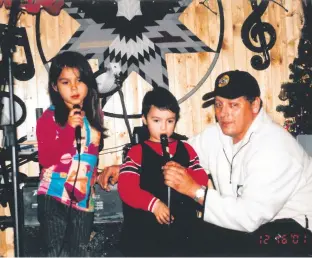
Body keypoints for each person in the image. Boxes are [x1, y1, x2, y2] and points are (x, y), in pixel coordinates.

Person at [162, 70, 312, 256]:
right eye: (218, 104)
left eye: (233, 105)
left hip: (294, 235)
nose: (223, 113)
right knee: (181, 235)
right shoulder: (218, 134)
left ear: (255, 105)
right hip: (251, 229)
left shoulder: (275, 146)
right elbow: (180, 153)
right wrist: (131, 165)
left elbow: (248, 217)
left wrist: (194, 190)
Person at [117, 87, 209, 256]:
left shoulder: (187, 149)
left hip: (182, 233)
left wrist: (187, 177)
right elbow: (126, 188)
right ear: (144, 119)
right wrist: (154, 204)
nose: (163, 128)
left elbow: (201, 181)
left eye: (170, 121)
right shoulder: (136, 151)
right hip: (145, 233)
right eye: (156, 120)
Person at [36, 51, 107, 257]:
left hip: (83, 199)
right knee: (56, 253)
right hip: (54, 194)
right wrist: (68, 129)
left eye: (79, 80)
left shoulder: (93, 119)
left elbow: (89, 156)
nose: (74, 87)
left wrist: (96, 175)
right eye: (66, 82)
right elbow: (46, 159)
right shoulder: (49, 118)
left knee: (79, 253)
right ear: (55, 87)